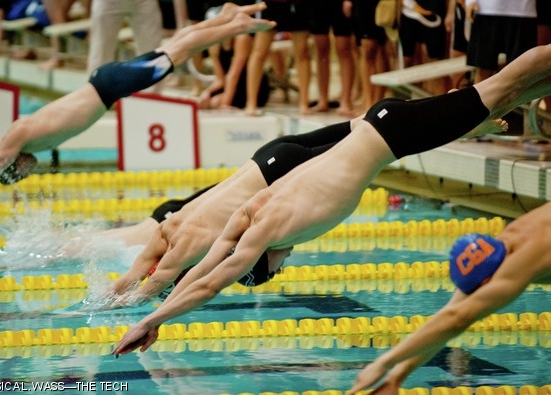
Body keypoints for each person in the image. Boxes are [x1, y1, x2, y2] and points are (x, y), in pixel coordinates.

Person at [111, 44, 551, 358]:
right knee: (503, 99)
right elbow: (204, 272)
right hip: (379, 126)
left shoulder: (265, 228)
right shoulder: (250, 213)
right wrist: (155, 315)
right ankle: (477, 119)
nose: (286, 263)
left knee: (502, 87)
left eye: (276, 267)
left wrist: (151, 321)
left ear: (265, 259)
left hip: (392, 133)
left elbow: (211, 279)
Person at [0, 2, 276, 204]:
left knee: (178, 53)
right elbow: (18, 166)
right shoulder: (29, 145)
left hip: (107, 86)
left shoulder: (15, 138)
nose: (25, 171)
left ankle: (236, 27)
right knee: (174, 47)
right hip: (107, 84)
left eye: (17, 172)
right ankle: (227, 15)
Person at [92, 121, 354, 308]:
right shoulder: (163, 233)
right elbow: (131, 277)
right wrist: (106, 298)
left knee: (370, 140)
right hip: (265, 159)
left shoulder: (186, 246)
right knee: (362, 128)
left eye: (276, 271)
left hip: (277, 170)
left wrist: (131, 306)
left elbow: (160, 280)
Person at [347, 202, 551, 394]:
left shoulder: (522, 261)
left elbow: (458, 320)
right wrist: (397, 376)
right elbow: (449, 316)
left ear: (487, 281)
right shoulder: (497, 248)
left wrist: (382, 363)